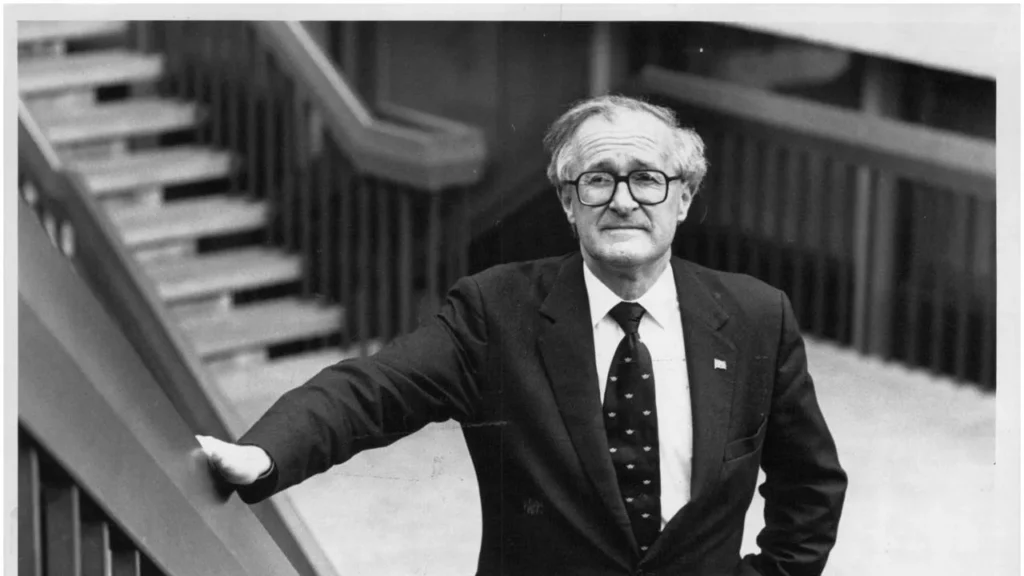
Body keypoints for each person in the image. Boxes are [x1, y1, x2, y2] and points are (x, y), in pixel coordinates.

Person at [198, 94, 847, 576]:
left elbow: (810, 487)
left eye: (648, 178)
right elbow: (371, 390)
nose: (623, 200)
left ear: (684, 198)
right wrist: (264, 453)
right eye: (598, 179)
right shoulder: (495, 310)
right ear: (567, 202)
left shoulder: (757, 316)